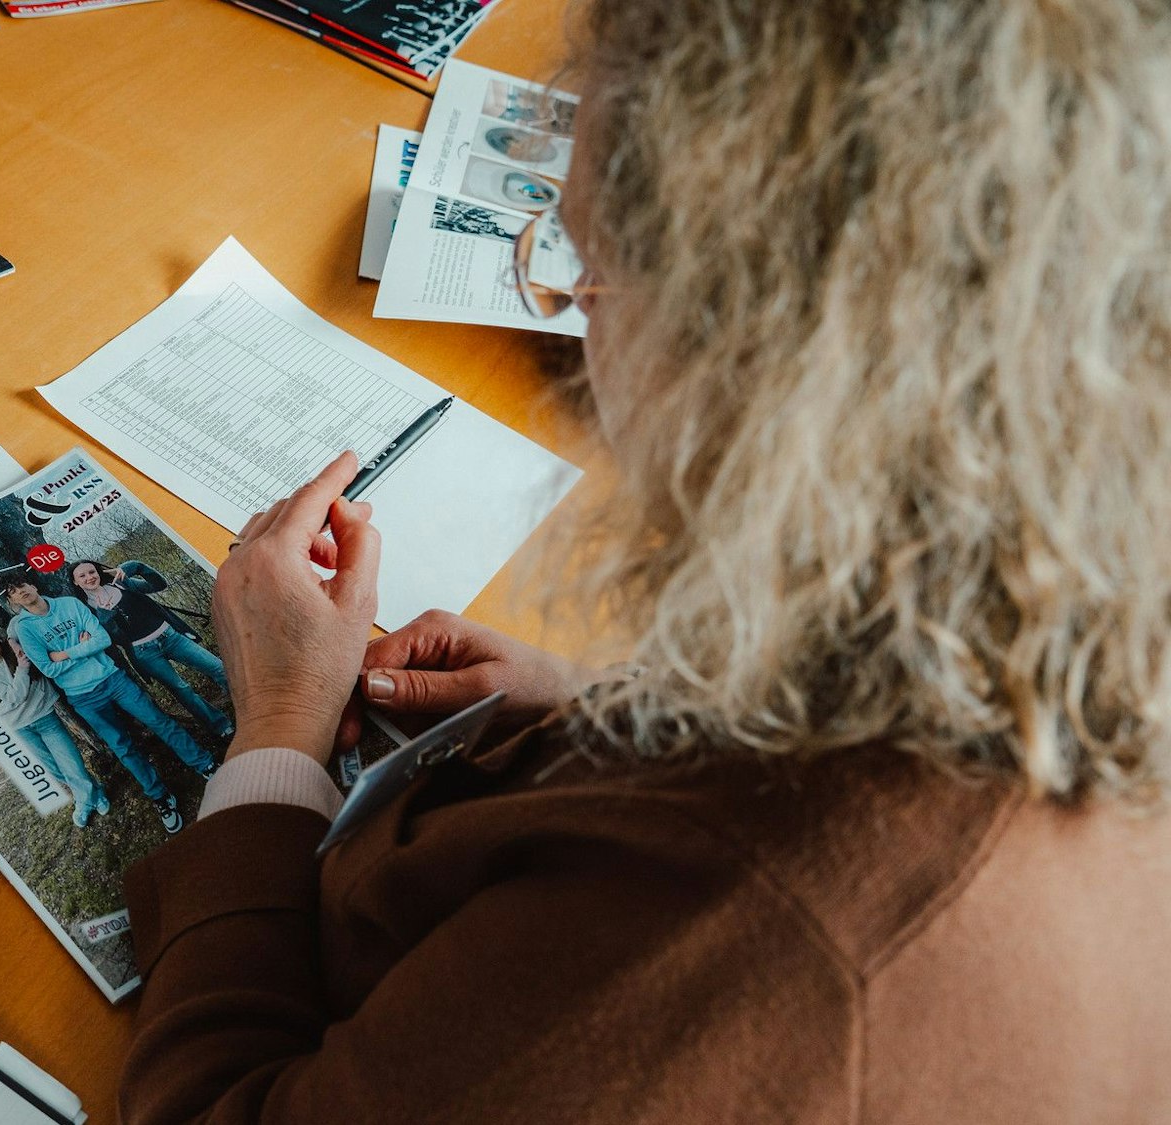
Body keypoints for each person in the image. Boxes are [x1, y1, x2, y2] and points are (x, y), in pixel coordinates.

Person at [119, 2, 1171, 1122]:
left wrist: (279, 729)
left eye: (592, 272)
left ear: (769, 363)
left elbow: (220, 1106)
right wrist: (611, 712)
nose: (579, 341)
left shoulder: (748, 911)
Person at [5, 577, 215, 834]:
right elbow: (48, 667)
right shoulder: (26, 629)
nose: (22, 591)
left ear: (34, 586)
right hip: (83, 697)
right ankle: (160, 797)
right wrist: (83, 646)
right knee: (122, 746)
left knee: (159, 721)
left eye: (23, 584)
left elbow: (102, 639)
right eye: (14, 591)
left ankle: (205, 765)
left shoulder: (70, 604)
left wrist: (66, 653)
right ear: (12, 601)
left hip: (113, 679)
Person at [71, 559, 233, 740]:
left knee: (218, 667)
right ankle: (221, 727)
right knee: (183, 689)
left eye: (91, 572)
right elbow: (109, 639)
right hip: (145, 653)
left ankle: (248, 704)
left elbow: (158, 584)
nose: (89, 578)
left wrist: (134, 567)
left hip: (171, 637)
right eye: (82, 576)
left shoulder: (121, 584)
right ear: (75, 582)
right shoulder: (87, 611)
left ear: (99, 572)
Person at [0, 629, 108, 828]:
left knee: (72, 764)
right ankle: (95, 793)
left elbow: (20, 622)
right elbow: (14, 698)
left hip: (45, 719)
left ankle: (84, 803)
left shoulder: (19, 651)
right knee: (54, 770)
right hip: (19, 726)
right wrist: (22, 670)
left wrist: (11, 640)